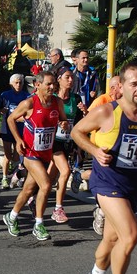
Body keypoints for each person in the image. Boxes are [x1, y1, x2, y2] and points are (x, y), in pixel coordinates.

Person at [71, 61, 137, 274]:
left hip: (132, 184)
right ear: (121, 86)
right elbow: (78, 132)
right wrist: (95, 151)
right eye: (134, 84)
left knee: (111, 239)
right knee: (130, 236)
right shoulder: (108, 112)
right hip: (108, 181)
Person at [2, 71, 68, 241]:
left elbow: (63, 119)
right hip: (30, 153)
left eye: (54, 84)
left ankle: (11, 216)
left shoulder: (57, 102)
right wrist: (18, 140)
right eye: (48, 84)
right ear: (37, 85)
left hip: (46, 153)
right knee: (46, 185)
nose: (52, 87)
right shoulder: (29, 103)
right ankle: (39, 224)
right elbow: (10, 119)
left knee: (28, 189)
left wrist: (64, 123)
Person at [47, 66, 86, 223]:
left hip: (67, 142)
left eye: (72, 78)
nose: (71, 80)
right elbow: (45, 117)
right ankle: (58, 209)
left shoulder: (75, 99)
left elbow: (79, 123)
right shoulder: (53, 97)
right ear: (59, 79)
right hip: (53, 141)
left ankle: (32, 195)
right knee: (65, 171)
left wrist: (85, 113)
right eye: (67, 77)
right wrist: (58, 122)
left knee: (49, 178)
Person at [0, 74, 30, 189]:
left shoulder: (26, 96)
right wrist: (2, 110)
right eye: (16, 82)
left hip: (20, 129)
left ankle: (15, 176)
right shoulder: (5, 95)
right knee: (7, 155)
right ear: (11, 84)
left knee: (17, 155)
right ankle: (4, 178)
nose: (18, 85)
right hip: (6, 128)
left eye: (20, 82)